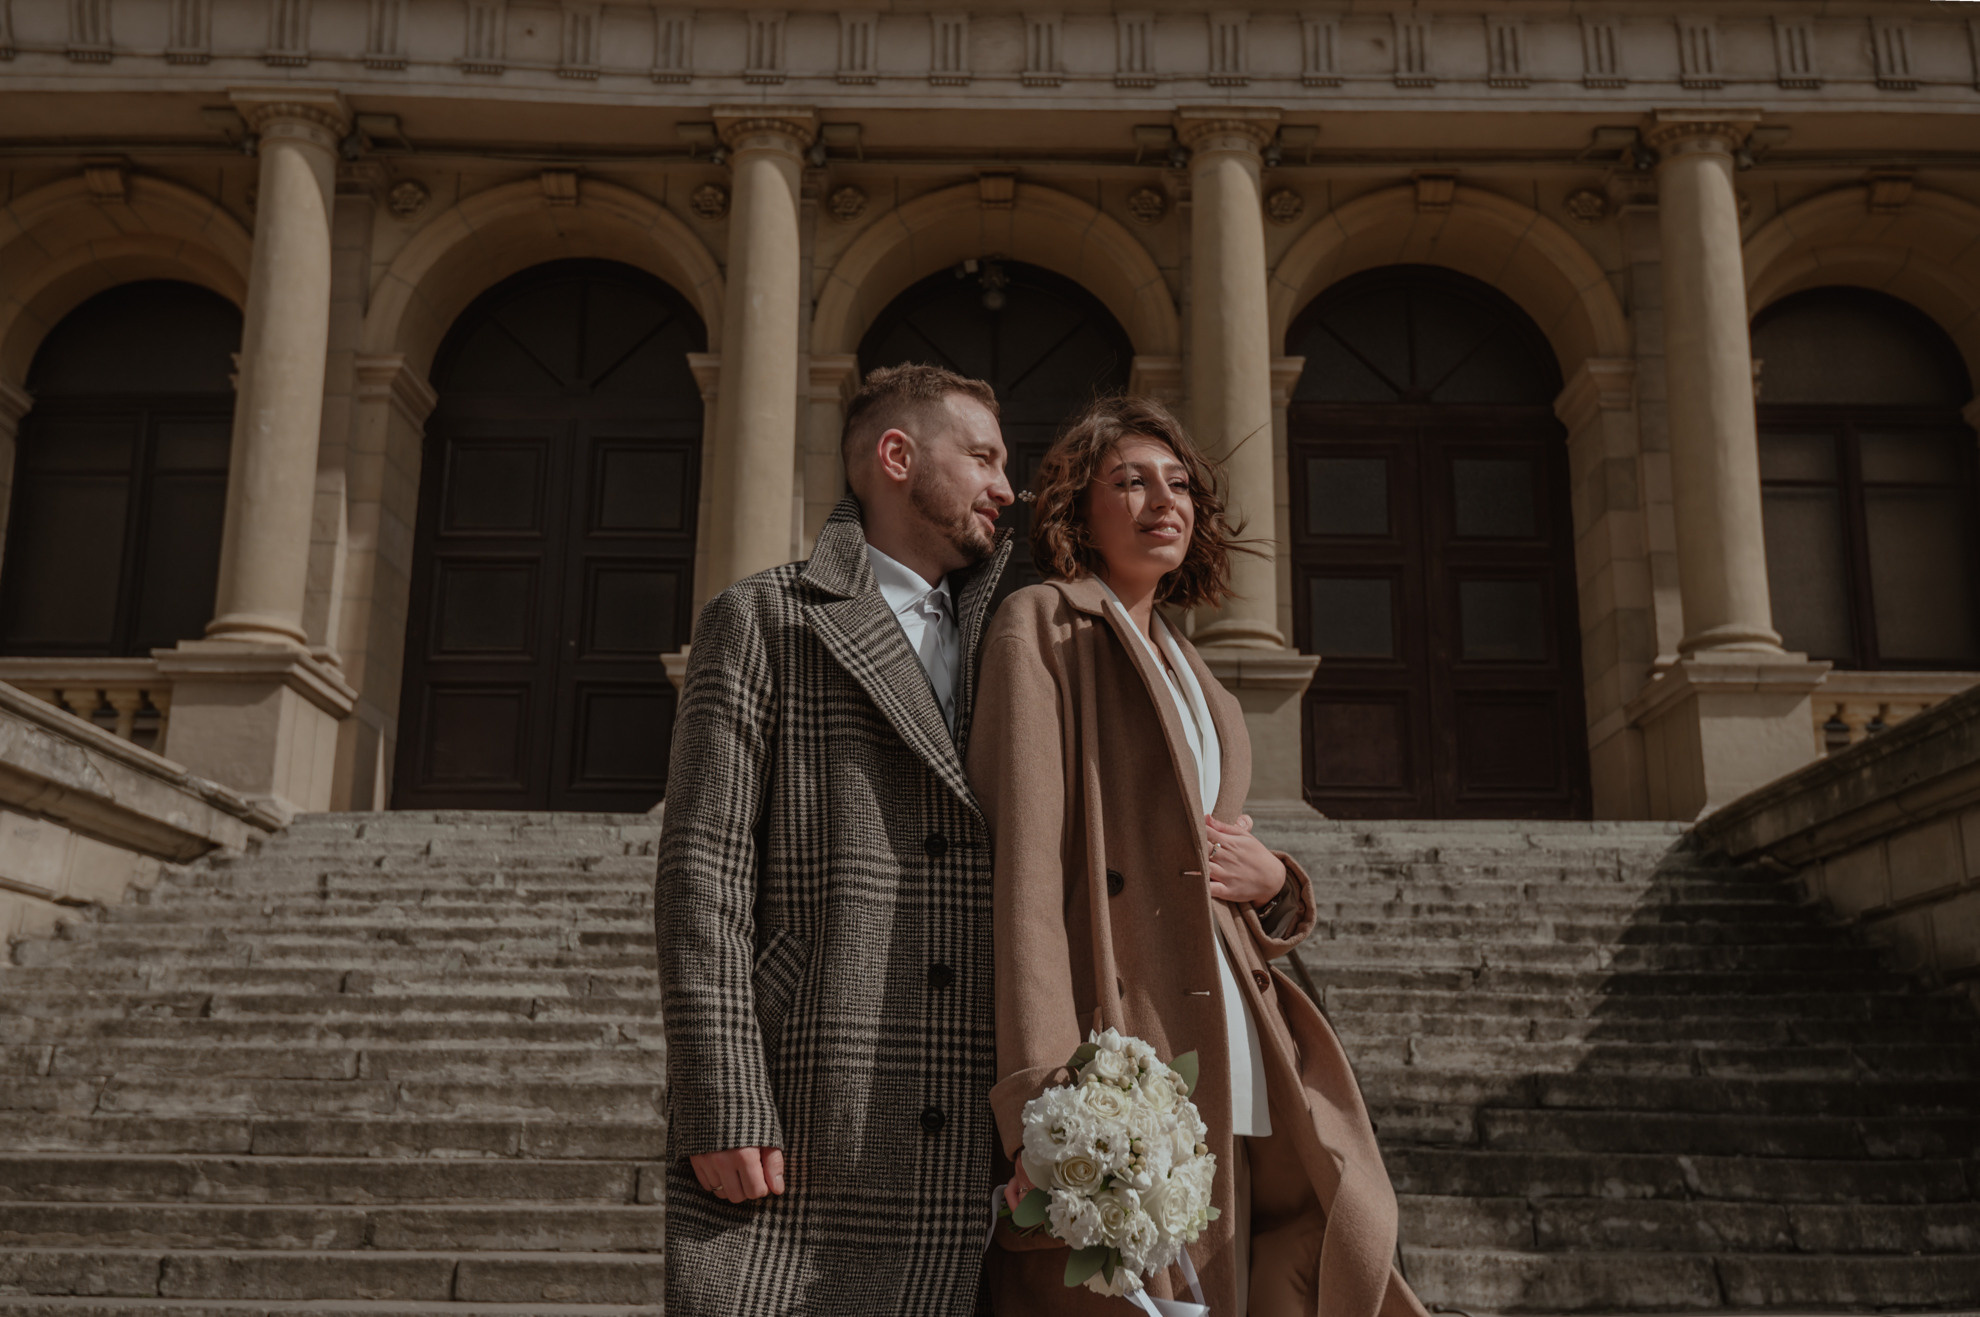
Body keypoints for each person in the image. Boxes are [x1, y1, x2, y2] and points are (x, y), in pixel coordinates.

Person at [969, 395, 1429, 1317]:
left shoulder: (1199, 674)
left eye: (1177, 484)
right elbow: (1026, 866)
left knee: (1288, 1262)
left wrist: (1278, 885)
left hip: (1237, 1020)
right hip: (1128, 1025)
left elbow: (1222, 851)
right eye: (1129, 482)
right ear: (1078, 510)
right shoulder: (1045, 623)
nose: (1161, 501)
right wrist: (1039, 1086)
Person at [656, 363, 1016, 1316]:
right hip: (814, 1097)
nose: (1005, 488)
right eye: (982, 457)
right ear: (897, 458)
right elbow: (704, 874)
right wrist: (721, 1091)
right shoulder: (767, 616)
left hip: (981, 1099)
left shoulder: (1018, 633)